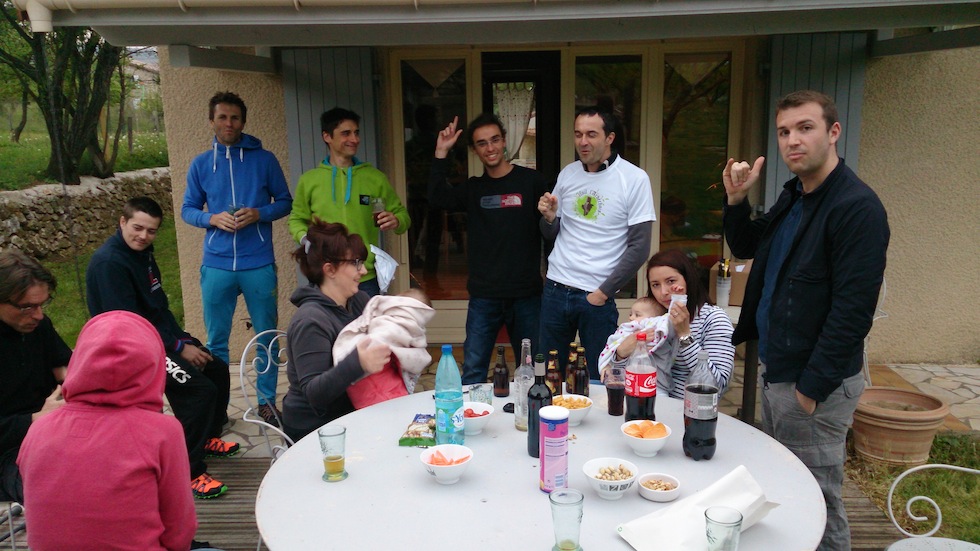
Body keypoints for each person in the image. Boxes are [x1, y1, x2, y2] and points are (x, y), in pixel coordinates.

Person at [723, 90, 889, 550]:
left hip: (813, 384)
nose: (792, 140)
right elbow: (748, 246)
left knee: (818, 501)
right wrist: (736, 200)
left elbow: (853, 313)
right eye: (784, 131)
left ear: (833, 132)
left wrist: (810, 391)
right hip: (779, 370)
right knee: (787, 490)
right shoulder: (796, 195)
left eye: (805, 128)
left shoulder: (856, 208)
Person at [87, 196, 240, 500]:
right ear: (122, 222)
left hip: (158, 336)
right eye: (137, 228)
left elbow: (158, 307)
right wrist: (177, 348)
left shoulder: (142, 254)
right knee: (198, 392)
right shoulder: (109, 264)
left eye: (151, 231)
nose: (143, 236)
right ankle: (188, 471)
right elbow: (128, 324)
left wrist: (183, 340)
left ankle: (207, 438)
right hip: (131, 348)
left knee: (216, 369)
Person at [17, 311, 197, 551]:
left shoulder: (39, 428)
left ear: (80, 361)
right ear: (153, 365)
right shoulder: (163, 432)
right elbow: (180, 532)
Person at [182, 91, 293, 428]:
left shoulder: (265, 160)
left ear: (243, 122)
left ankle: (267, 403)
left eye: (234, 118)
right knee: (216, 341)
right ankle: (218, 408)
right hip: (216, 264)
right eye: (222, 117)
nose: (228, 123)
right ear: (212, 121)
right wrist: (211, 219)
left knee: (266, 337)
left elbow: (285, 202)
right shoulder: (201, 164)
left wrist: (259, 213)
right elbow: (188, 209)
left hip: (258, 262)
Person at [428, 113, 548, 384]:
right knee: (473, 371)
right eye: (482, 143)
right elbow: (436, 198)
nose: (490, 147)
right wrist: (441, 153)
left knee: (533, 373)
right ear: (474, 150)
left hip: (526, 295)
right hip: (484, 296)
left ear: (504, 141)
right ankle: (473, 412)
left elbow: (552, 230)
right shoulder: (474, 189)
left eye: (495, 140)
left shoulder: (532, 182)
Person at [537, 107, 655, 380]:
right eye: (578, 134)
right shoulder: (568, 174)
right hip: (556, 289)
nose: (583, 142)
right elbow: (550, 233)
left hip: (596, 295)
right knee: (547, 375)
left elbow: (640, 248)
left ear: (609, 138)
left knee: (600, 377)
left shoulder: (634, 179)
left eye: (591, 134)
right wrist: (549, 218)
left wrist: (603, 292)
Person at [282, 220, 393, 441]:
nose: (363, 270)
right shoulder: (310, 321)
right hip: (315, 429)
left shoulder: (359, 300)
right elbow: (314, 394)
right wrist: (358, 362)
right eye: (356, 263)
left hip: (352, 412)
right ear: (330, 269)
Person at [288, 107, 411, 297]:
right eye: (346, 133)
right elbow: (296, 219)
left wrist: (396, 220)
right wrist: (307, 240)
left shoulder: (374, 178)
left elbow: (402, 216)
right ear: (327, 136)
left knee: (368, 319)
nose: (354, 139)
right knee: (326, 319)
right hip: (325, 273)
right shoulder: (309, 180)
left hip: (364, 275)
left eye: (356, 133)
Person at [603, 250, 735, 398]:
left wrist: (685, 335)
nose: (663, 292)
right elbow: (624, 376)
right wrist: (621, 354)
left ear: (688, 279)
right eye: (655, 285)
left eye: (671, 281)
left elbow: (718, 385)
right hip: (644, 401)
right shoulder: (652, 318)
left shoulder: (713, 319)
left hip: (688, 406)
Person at [0, 250, 70, 504]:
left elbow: (63, 366)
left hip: (53, 432)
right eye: (27, 307)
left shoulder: (38, 325)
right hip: (10, 451)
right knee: (58, 488)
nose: (38, 315)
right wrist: (36, 419)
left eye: (43, 304)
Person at [333, 288, 436, 409]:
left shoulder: (380, 315)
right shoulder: (393, 324)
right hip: (371, 378)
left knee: (397, 403)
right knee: (394, 408)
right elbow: (379, 338)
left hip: (366, 379)